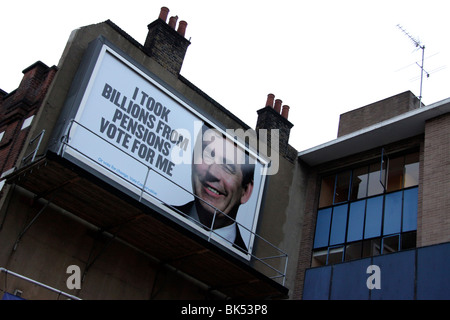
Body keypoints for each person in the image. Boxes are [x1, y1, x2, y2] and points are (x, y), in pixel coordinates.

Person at [173, 124, 255, 253]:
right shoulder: (155, 216)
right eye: (207, 156)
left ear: (245, 192)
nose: (213, 172)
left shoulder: (247, 261)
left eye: (228, 166)